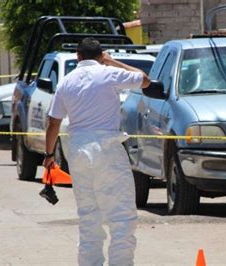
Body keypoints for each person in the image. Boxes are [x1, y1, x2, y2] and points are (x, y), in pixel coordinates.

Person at [44, 37, 150, 266]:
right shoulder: (108, 73)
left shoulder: (66, 82)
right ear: (101, 55)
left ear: (78, 57)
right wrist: (112, 62)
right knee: (121, 217)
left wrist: (49, 156)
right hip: (107, 148)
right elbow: (145, 80)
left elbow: (53, 123)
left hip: (79, 151)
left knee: (88, 217)